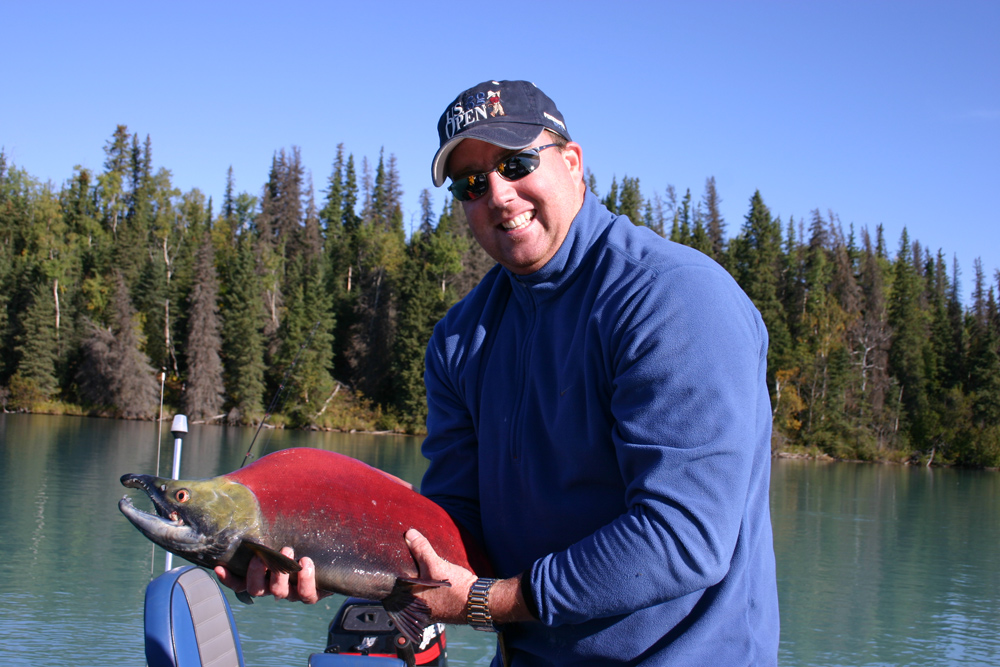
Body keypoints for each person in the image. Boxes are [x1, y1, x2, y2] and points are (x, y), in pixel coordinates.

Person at [219, 79, 780, 665]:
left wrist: (488, 601)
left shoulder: (673, 300)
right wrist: (328, 556)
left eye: (516, 163)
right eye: (472, 182)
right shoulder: (461, 339)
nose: (499, 194)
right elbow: (453, 530)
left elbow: (682, 537)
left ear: (572, 162)